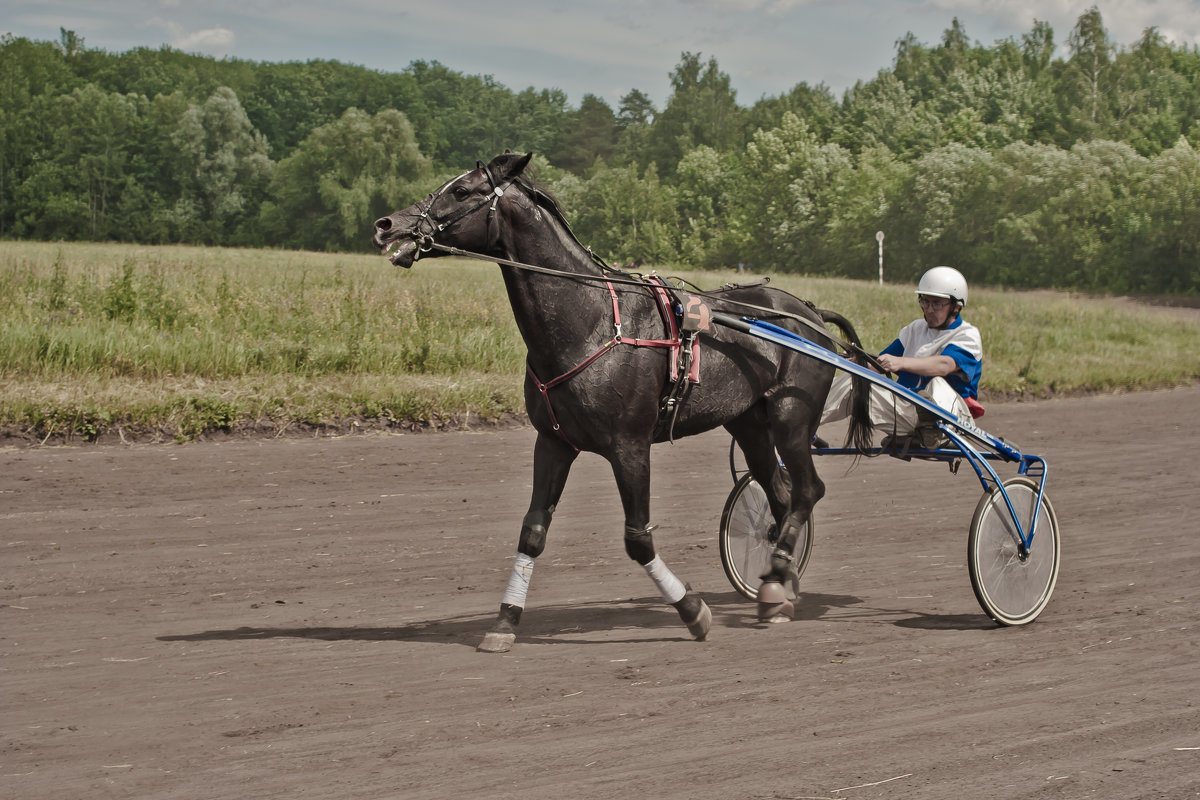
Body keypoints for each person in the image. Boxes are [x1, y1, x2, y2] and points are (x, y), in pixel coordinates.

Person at [820, 266, 983, 445]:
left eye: (937, 303)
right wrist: (854, 361)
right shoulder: (915, 330)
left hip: (951, 419)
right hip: (908, 411)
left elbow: (944, 365)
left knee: (938, 384)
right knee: (853, 382)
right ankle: (799, 420)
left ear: (955, 306)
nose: (929, 309)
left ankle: (934, 429)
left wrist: (900, 363)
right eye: (924, 301)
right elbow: (878, 365)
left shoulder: (966, 335)